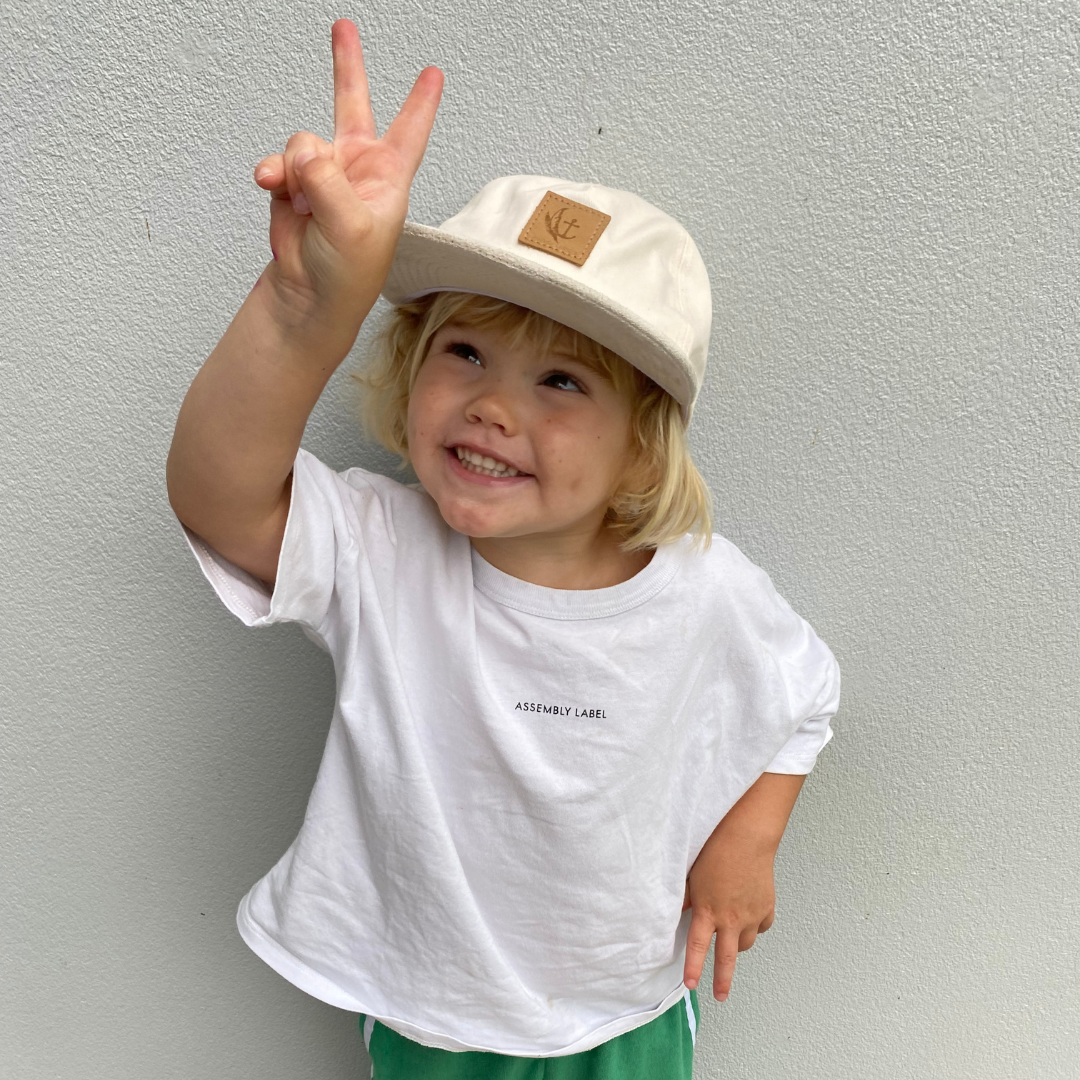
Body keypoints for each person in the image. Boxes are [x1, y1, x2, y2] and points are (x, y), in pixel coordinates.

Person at [166, 18, 840, 1080]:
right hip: (433, 1012)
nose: (491, 406)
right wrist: (303, 308)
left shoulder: (706, 590)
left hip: (622, 1010)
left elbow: (805, 695)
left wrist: (744, 844)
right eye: (466, 352)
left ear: (641, 447)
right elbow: (220, 498)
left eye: (561, 380)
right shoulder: (382, 548)